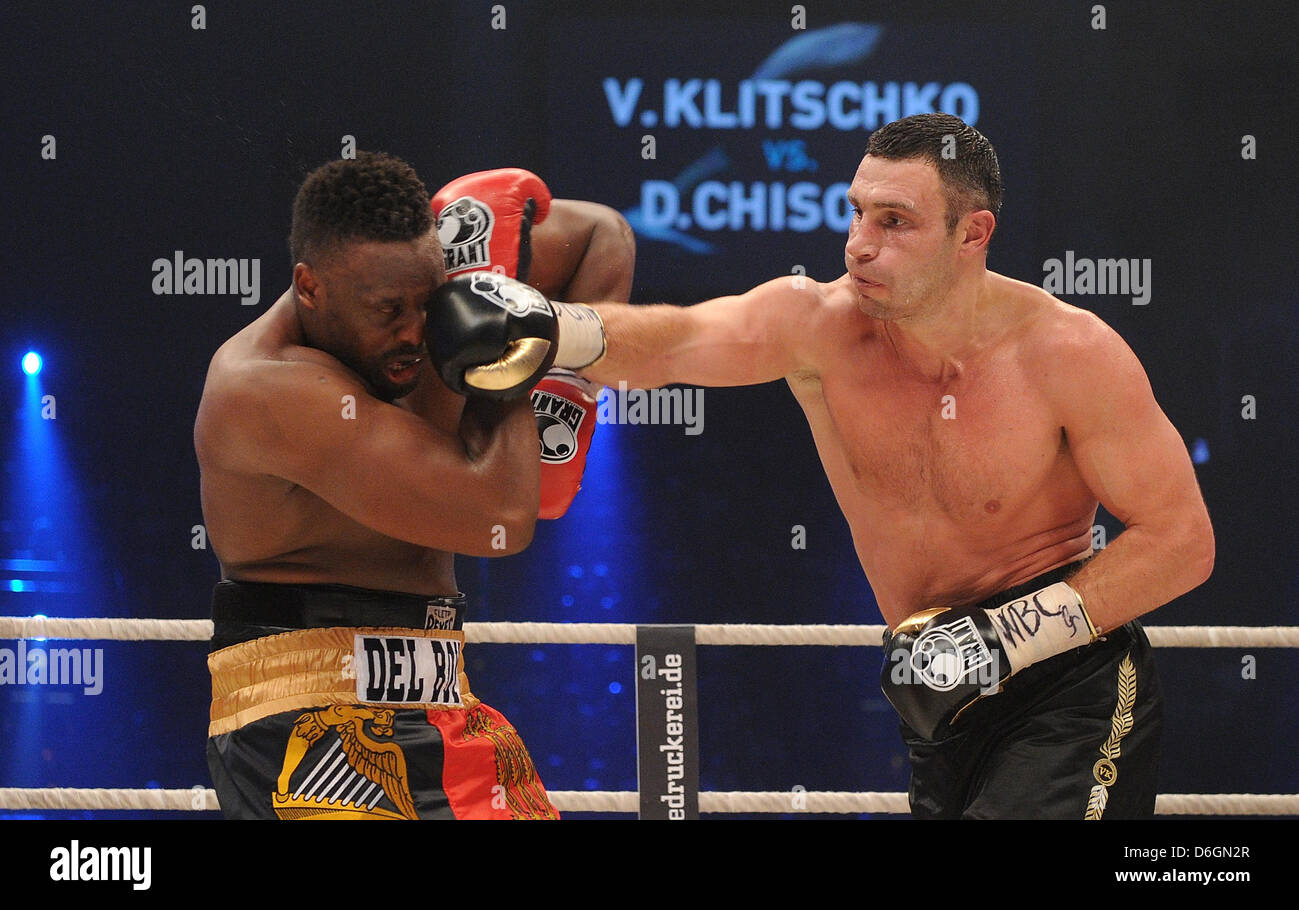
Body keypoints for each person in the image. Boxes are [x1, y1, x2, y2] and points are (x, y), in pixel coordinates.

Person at [431, 113, 1215, 819]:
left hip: (1067, 681)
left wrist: (1004, 639)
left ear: (973, 234)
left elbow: (1182, 540)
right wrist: (547, 325)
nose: (860, 244)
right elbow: (674, 340)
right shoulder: (820, 326)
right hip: (932, 693)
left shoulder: (1071, 354)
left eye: (896, 222)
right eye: (857, 211)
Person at [195, 152, 633, 819]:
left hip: (444, 691)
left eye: (429, 305)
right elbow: (505, 519)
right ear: (308, 287)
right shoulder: (264, 388)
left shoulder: (419, 307)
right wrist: (510, 349)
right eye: (387, 310)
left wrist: (562, 379)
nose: (414, 332)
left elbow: (604, 236)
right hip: (307, 719)